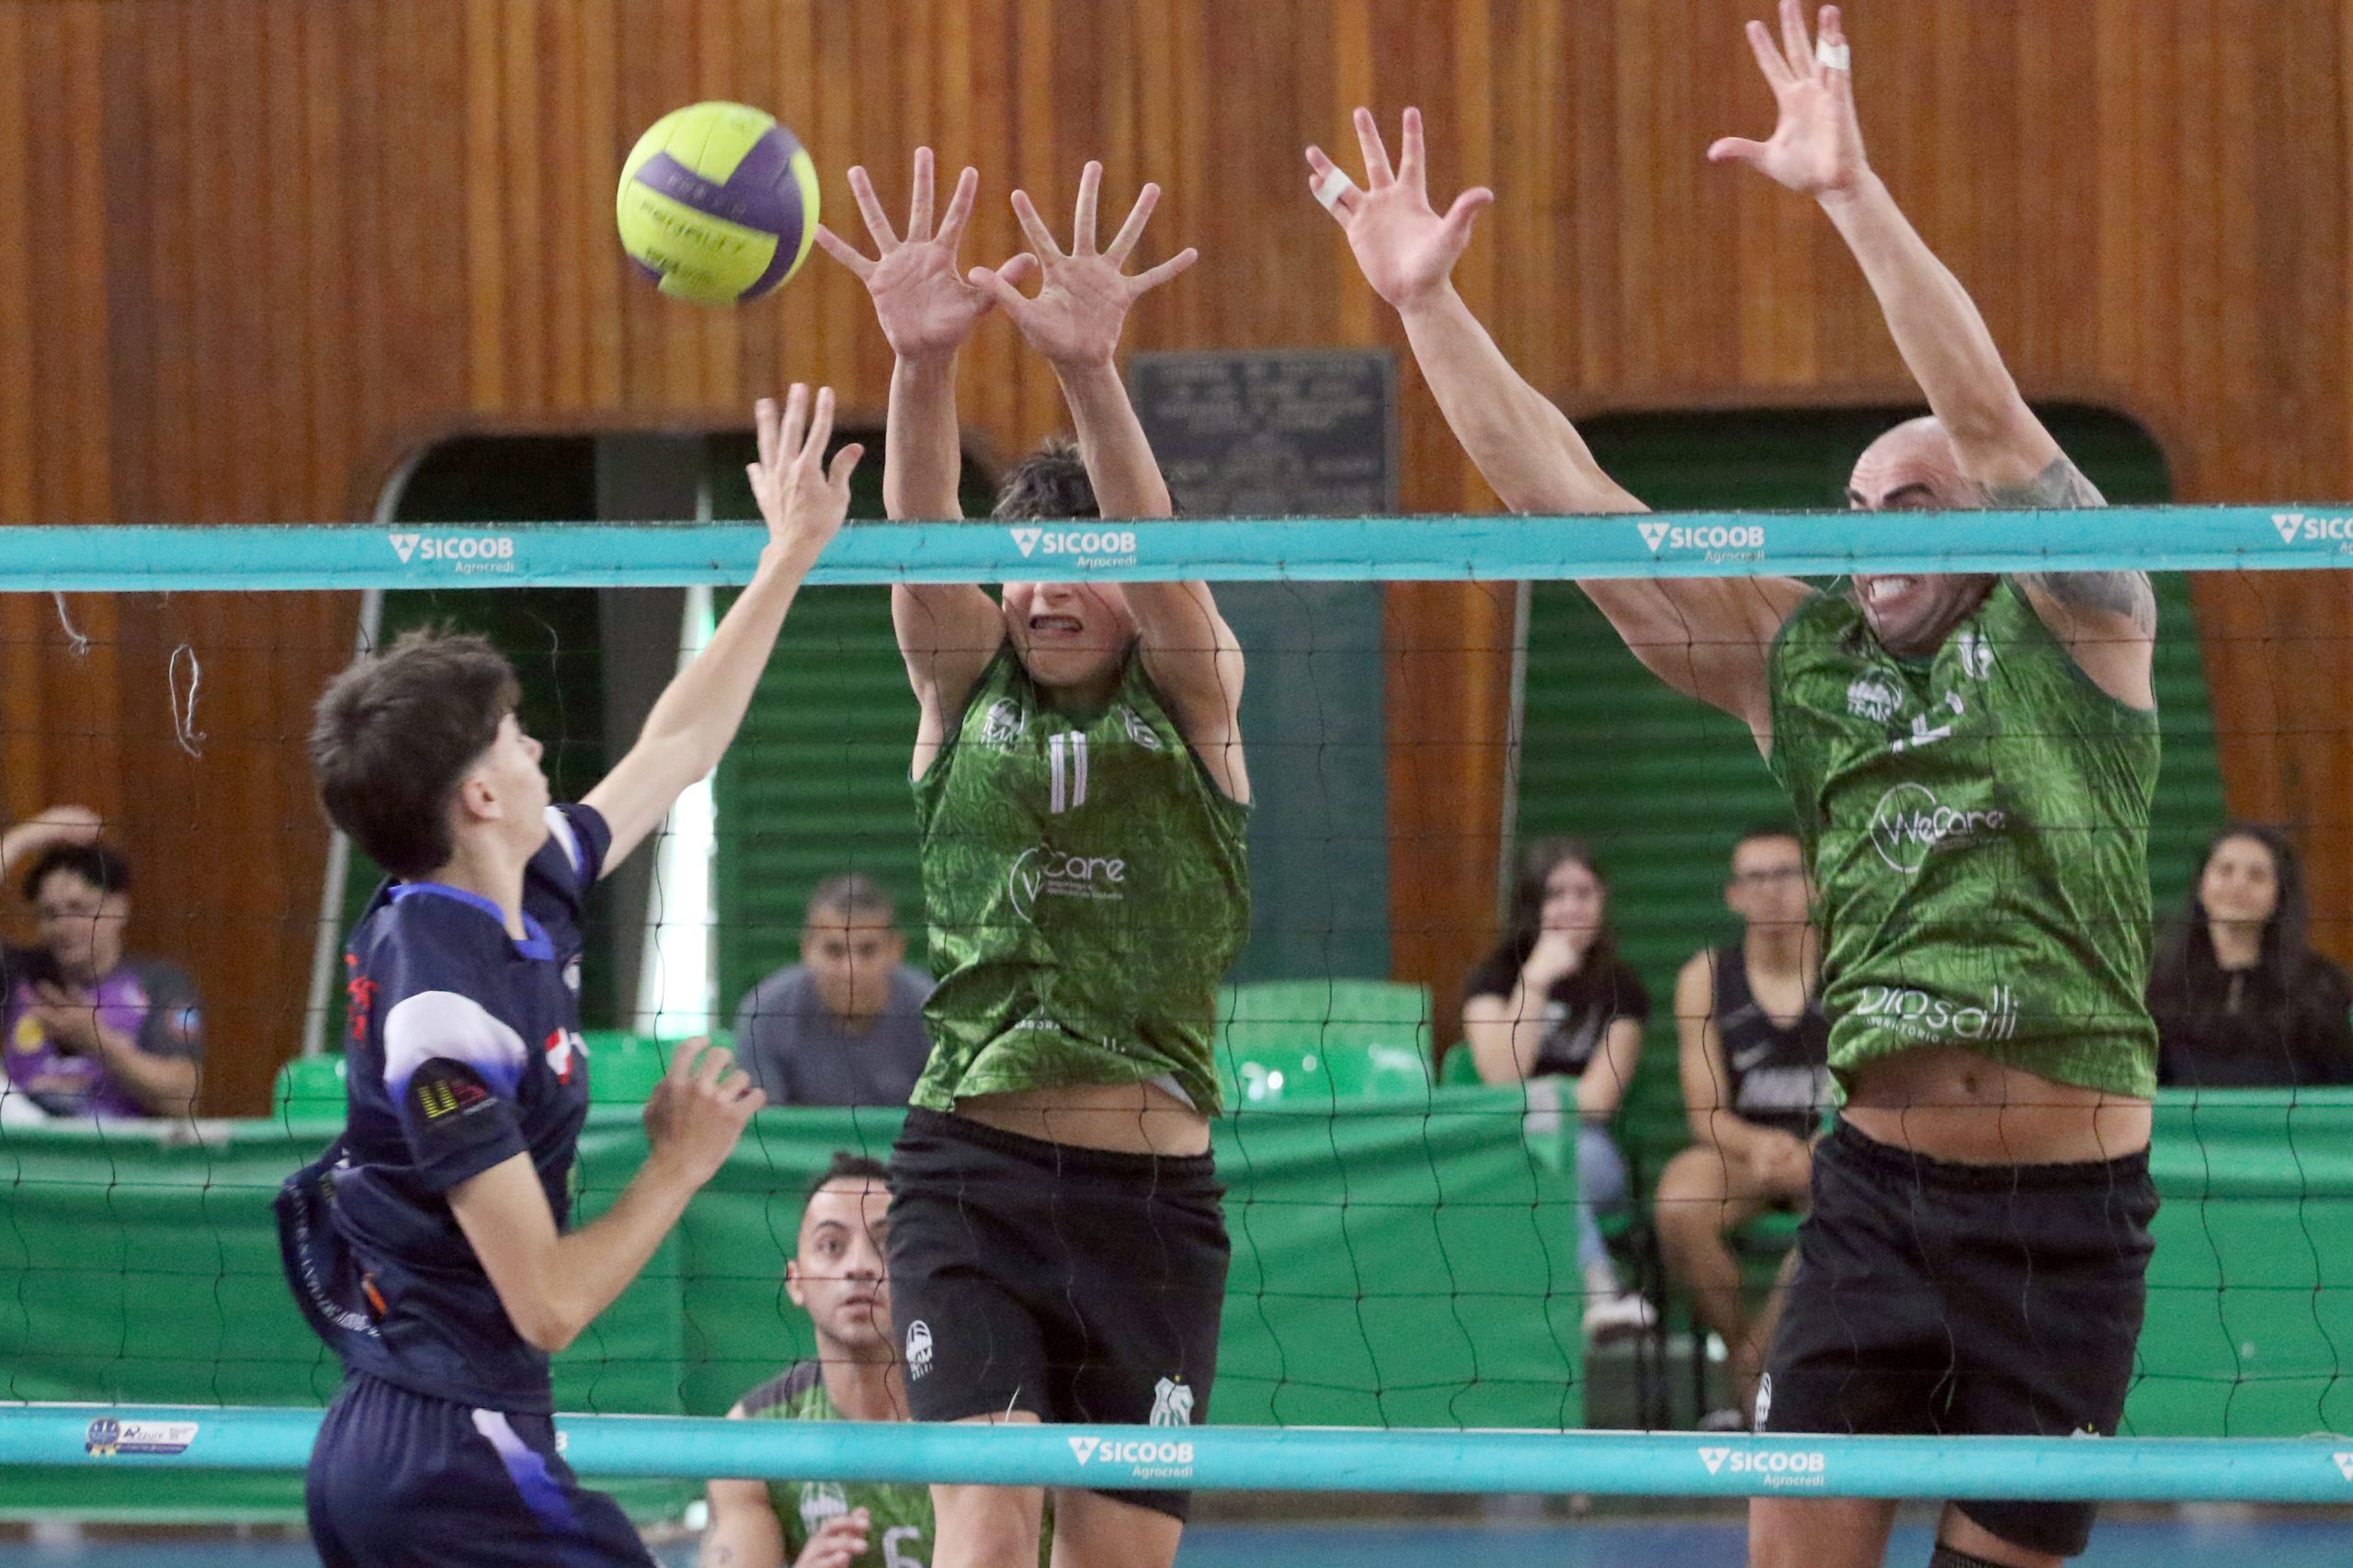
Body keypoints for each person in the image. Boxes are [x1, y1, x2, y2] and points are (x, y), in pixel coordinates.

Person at [1310, 6, 2161, 1562]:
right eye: (1850, 504)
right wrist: (1428, 308)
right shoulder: (1804, 662)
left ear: (1984, 519)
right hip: (1880, 1206)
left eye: (1908, 502)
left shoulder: (2088, 620)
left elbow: (1987, 419)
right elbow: (1575, 504)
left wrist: (1848, 193)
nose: (1869, 526)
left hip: (2069, 1227)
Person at [278, 384, 860, 1568]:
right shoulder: (441, 1006)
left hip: (429, 1431)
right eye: (513, 735)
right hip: (447, 1446)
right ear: (478, 795)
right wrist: (676, 1165)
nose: (538, 747)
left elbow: (677, 748)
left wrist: (788, 554)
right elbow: (544, 1299)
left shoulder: (512, 884)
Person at [816, 149, 1243, 1568]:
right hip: (973, 1179)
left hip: (1153, 1209)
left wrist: (1090, 372)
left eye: (1084, 561)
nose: (1048, 585)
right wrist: (922, 365)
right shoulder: (964, 684)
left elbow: (1169, 563)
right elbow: (923, 537)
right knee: (987, 1544)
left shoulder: (1195, 701)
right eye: (1030, 564)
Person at [1654, 825, 1830, 1429]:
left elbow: (1873, 1095)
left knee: (1848, 1204)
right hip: (1741, 1152)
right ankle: (1739, 1355)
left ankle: (1758, 1362)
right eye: (1756, 878)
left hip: (1835, 1149)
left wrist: (1814, 1150)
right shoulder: (1704, 976)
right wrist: (1759, 1145)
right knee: (1679, 1204)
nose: (1773, 892)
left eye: (1787, 874)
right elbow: (1704, 1110)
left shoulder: (1853, 968)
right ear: (1734, 895)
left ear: (1815, 886)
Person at [1460, 838, 1656, 1339]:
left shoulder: (1623, 988)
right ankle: (1599, 1292)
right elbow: (1501, 1080)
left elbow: (1598, 1101)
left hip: (1591, 1153)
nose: (1571, 906)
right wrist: (1535, 983)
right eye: (1556, 894)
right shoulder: (1494, 980)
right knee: (1532, 1163)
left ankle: (1596, 1292)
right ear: (1533, 904)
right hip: (1502, 1156)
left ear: (1602, 900)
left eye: (1584, 892)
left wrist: (1537, 1103)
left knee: (1557, 1160)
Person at [0, 810, 202, 1120]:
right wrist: (29, 837)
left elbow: (182, 1097)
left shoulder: (158, 983)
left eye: (80, 909)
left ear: (119, 908)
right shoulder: (20, 974)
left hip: (121, 1160)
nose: (65, 925)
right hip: (25, 1158)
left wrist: (94, 1039)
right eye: (50, 914)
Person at [2151, 824, 2353, 1089]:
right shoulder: (2157, 982)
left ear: (2280, 895)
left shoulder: (2321, 986)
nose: (2238, 885)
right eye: (2225, 870)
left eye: (2256, 876)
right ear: (2201, 885)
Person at [733, 876, 936, 1108]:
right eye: (834, 950)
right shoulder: (764, 1014)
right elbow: (765, 1128)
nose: (851, 970)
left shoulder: (937, 1015)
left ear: (896, 950)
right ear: (807, 949)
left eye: (868, 950)